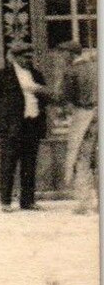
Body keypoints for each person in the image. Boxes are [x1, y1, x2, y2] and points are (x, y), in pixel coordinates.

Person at [0, 41, 54, 212]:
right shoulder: (3, 76)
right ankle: (6, 202)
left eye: (30, 57)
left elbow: (45, 98)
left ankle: (28, 201)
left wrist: (38, 105)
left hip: (32, 124)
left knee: (29, 164)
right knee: (8, 164)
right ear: (14, 58)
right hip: (11, 127)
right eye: (23, 57)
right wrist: (5, 115)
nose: (27, 60)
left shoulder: (36, 75)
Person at [59, 42, 98, 214]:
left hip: (83, 116)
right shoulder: (96, 67)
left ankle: (84, 204)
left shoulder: (71, 71)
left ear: (70, 54)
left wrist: (38, 90)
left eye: (64, 54)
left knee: (81, 159)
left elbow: (63, 98)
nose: (62, 57)